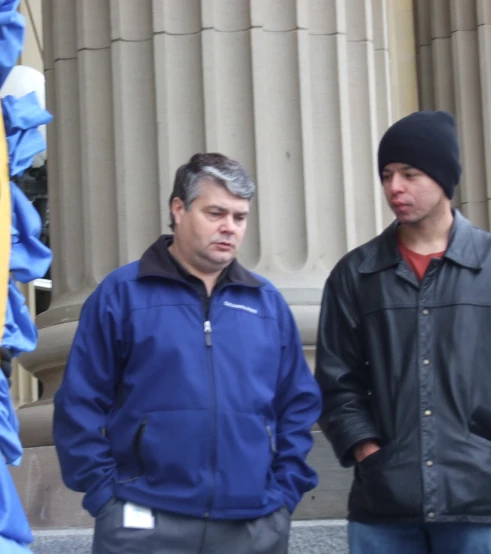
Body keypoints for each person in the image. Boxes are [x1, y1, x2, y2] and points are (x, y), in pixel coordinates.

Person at [53, 153, 322, 554]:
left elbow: (297, 404)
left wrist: (283, 495)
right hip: (142, 522)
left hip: (252, 525)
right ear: (178, 209)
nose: (229, 228)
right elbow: (79, 401)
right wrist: (105, 496)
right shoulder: (122, 294)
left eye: (239, 217)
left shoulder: (267, 304)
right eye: (216, 213)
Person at [315, 111, 491, 552]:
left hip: (481, 507)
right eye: (387, 174)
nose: (394, 187)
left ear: (444, 178)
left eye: (410, 174)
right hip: (384, 508)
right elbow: (336, 381)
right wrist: (367, 451)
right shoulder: (355, 274)